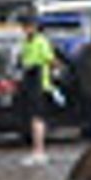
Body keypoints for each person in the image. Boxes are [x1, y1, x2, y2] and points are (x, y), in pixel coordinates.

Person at [19, 20, 57, 166]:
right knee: (33, 119)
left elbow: (51, 61)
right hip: (30, 83)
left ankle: (39, 151)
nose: (25, 30)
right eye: (24, 27)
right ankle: (36, 150)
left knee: (38, 118)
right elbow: (23, 60)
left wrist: (49, 76)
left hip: (39, 84)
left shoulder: (41, 41)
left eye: (28, 27)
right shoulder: (26, 42)